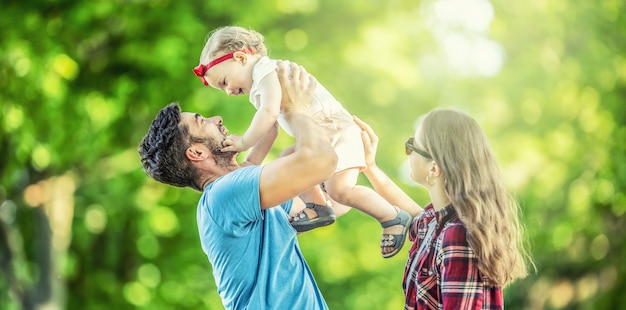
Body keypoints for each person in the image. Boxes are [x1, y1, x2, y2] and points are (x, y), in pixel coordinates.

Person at [192, 25, 412, 258]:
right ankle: (318, 206)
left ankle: (391, 216)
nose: (228, 92)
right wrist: (251, 162)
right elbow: (270, 130)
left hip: (335, 130)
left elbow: (268, 115)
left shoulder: (266, 72)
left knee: (341, 190)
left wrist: (244, 141)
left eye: (225, 82)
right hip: (324, 135)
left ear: (240, 57)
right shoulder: (260, 84)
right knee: (288, 159)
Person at [138, 62, 334, 309]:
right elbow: (320, 160)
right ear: (197, 152)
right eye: (202, 121)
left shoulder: (247, 195)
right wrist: (297, 109)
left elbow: (325, 208)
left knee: (288, 156)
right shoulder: (224, 194)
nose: (216, 118)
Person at [354, 110, 533, 309]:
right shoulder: (436, 223)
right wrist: (369, 167)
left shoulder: (458, 235)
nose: (409, 151)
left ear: (434, 168)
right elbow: (412, 212)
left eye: (413, 145)